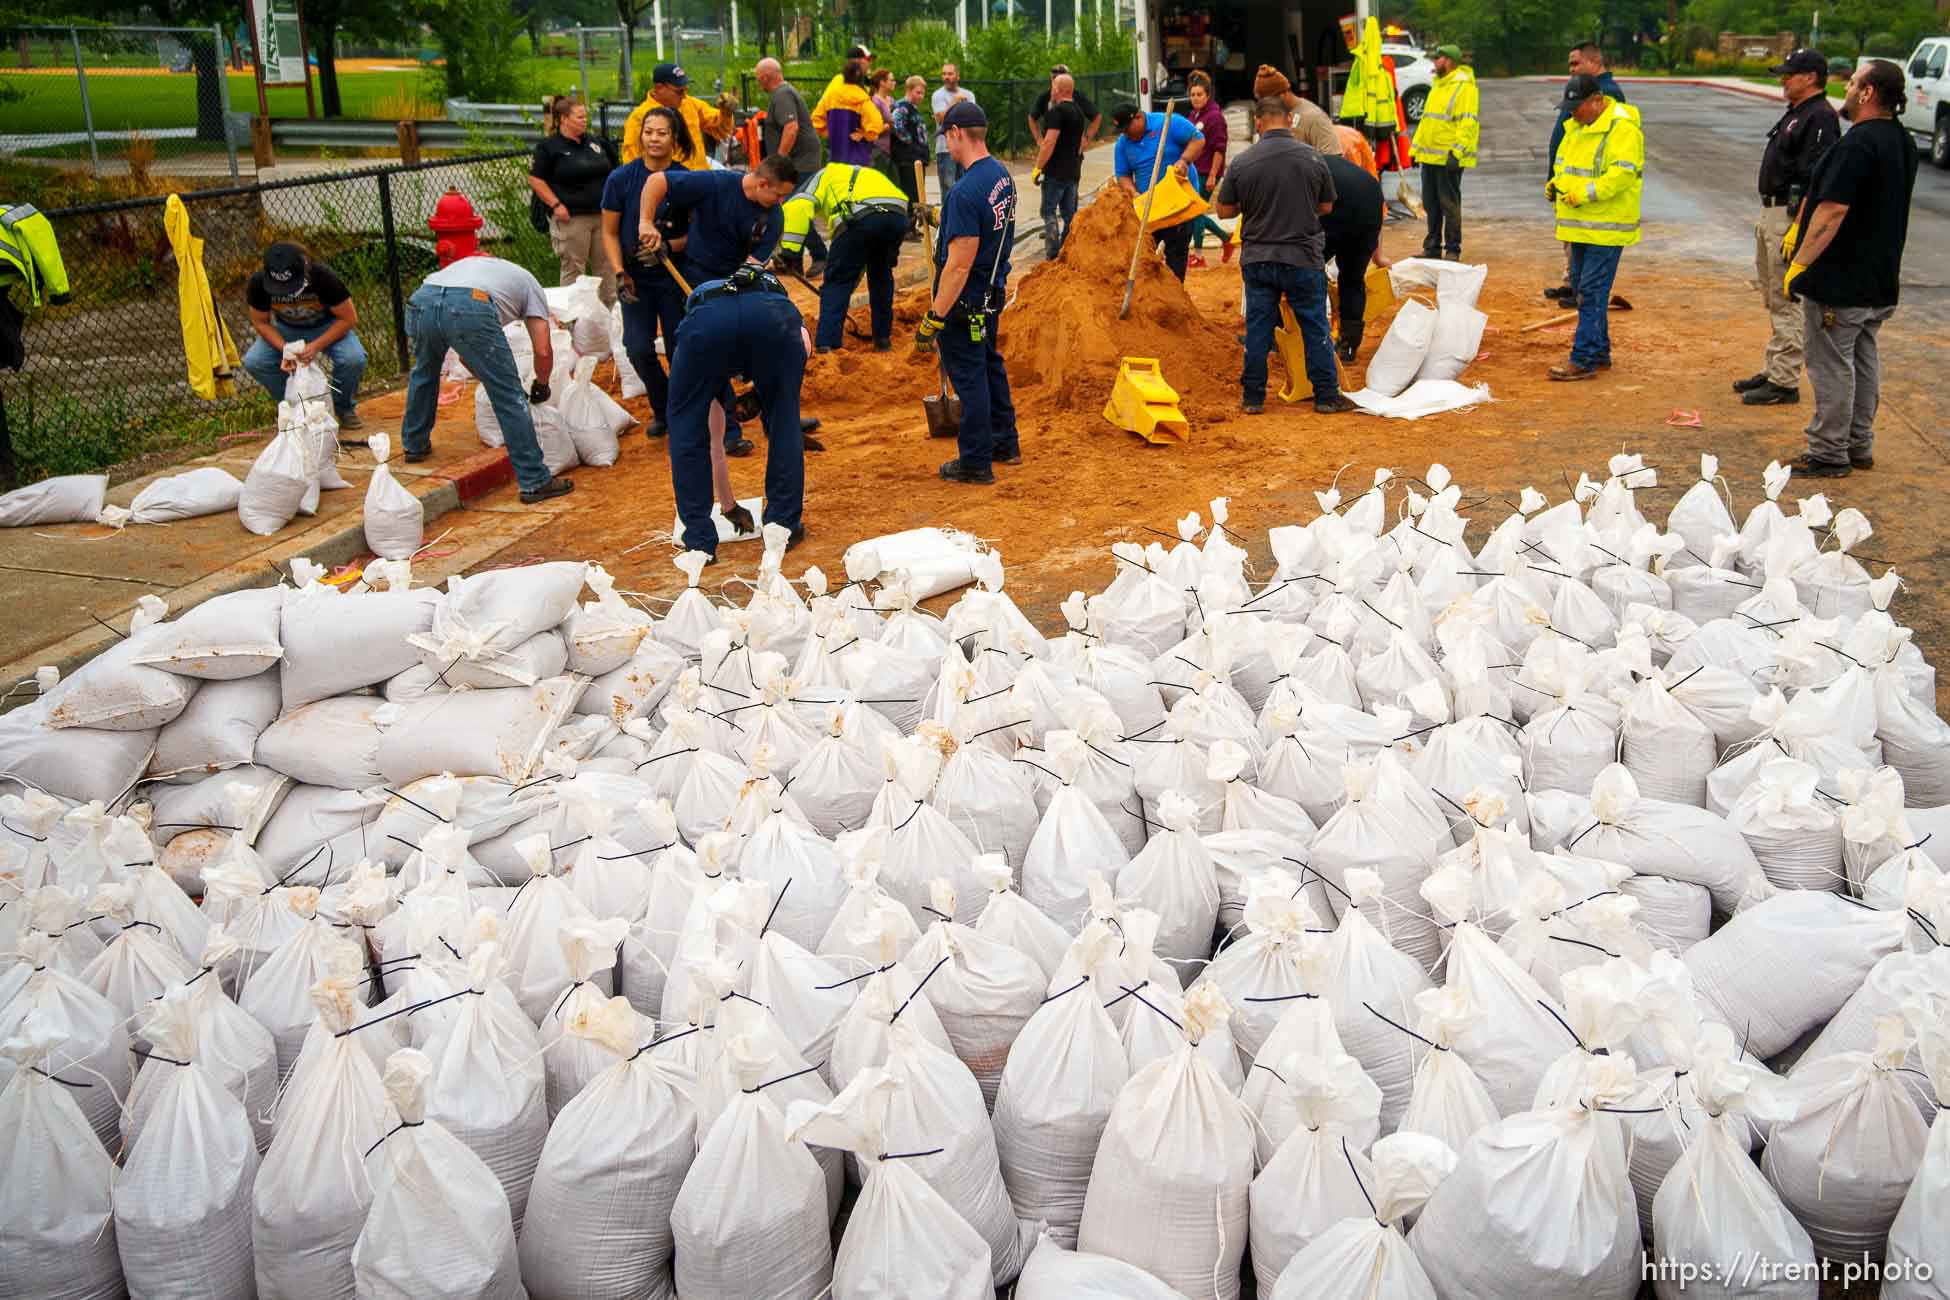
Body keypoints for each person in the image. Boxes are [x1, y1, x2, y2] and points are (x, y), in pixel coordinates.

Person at [1783, 58, 1918, 477]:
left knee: (1830, 365)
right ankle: (1858, 443)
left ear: (1868, 93)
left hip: (1841, 281)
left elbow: (1833, 210)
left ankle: (1828, 452)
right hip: (1877, 279)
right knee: (1861, 359)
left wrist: (1799, 264)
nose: (1846, 88)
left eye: (1854, 83)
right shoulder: (1901, 140)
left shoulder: (1859, 143)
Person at [400, 190, 572, 504]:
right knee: (508, 395)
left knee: (424, 372)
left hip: (423, 297)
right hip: (470, 305)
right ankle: (534, 480)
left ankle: (414, 445)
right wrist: (542, 384)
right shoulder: (529, 284)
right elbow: (544, 350)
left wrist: (487, 373)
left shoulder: (474, 269)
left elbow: (467, 352)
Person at [637, 154, 802, 456]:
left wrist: (736, 289)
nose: (781, 201)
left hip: (740, 283)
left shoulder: (773, 217)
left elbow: (753, 264)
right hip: (697, 281)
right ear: (763, 183)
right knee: (711, 353)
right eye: (778, 194)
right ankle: (729, 430)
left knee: (775, 342)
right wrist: (645, 222)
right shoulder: (715, 184)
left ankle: (778, 418)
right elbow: (656, 181)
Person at [1215, 95, 1351, 416]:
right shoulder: (1314, 159)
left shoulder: (1243, 162)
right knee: (1315, 326)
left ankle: (1253, 397)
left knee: (1259, 328)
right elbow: (1327, 205)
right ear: (1290, 120)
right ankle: (1327, 396)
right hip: (1302, 257)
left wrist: (1252, 204)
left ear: (1257, 123)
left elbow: (1223, 210)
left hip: (1259, 258)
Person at [664, 265, 808, 557]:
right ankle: (783, 528)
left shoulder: (702, 316)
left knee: (685, 429)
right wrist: (765, 395)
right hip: (774, 323)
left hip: (708, 329)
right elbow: (803, 346)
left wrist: (728, 505)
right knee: (785, 422)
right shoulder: (779, 300)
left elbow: (713, 437)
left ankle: (699, 544)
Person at [916, 100, 1020, 485]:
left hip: (965, 301)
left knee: (970, 378)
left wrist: (934, 317)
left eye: (948, 138)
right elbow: (983, 224)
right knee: (989, 365)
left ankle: (976, 461)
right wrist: (941, 218)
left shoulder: (963, 192)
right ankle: (1004, 442)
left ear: (958, 133)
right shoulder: (1000, 177)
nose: (948, 146)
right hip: (990, 294)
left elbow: (958, 265)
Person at [1734, 47, 1841, 407]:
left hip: (1790, 216)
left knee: (1786, 298)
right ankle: (1774, 366)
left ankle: (1784, 380)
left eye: (1789, 74)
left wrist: (1800, 223)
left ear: (1811, 77)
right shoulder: (1799, 113)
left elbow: (1816, 176)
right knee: (1772, 294)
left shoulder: (1821, 117)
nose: (1782, 79)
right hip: (1772, 212)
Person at [600, 105, 695, 439]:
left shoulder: (685, 180)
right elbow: (609, 232)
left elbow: (698, 234)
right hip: (635, 280)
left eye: (662, 132)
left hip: (673, 278)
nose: (654, 139)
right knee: (638, 347)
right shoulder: (621, 179)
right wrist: (618, 272)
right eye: (649, 131)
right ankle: (664, 408)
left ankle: (685, 412)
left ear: (674, 138)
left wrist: (671, 246)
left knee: (679, 347)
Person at [1547, 74, 1644, 381]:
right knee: (1585, 290)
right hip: (1579, 226)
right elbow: (1563, 167)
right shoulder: (1575, 128)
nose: (1572, 112)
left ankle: (1584, 358)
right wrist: (1556, 185)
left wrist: (1585, 193)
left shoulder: (1622, 129)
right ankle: (1599, 351)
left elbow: (1621, 176)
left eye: (1578, 106)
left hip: (1606, 226)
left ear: (1597, 101)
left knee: (1591, 291)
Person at [777, 160, 909, 352]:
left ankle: (827, 344)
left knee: (837, 282)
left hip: (859, 217)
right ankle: (882, 339)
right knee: (881, 275)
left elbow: (797, 208)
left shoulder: (819, 178)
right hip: (897, 216)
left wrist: (789, 252)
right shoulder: (857, 174)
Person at [241, 241, 367, 429]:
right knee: (255, 361)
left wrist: (315, 346)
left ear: (305, 267)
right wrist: (285, 349)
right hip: (287, 329)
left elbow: (349, 319)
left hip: (327, 326)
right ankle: (295, 407)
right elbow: (260, 322)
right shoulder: (258, 283)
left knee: (353, 358)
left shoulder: (323, 277)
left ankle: (343, 407)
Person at [1545, 43, 1625, 303]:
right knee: (1570, 237)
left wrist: (1581, 188)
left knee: (1579, 242)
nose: (1571, 70)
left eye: (1576, 64)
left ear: (1594, 62)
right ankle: (1572, 284)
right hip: (1568, 182)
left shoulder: (1606, 93)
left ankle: (1579, 291)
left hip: (1585, 192)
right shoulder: (1581, 88)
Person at [528, 95, 617, 308]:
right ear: (563, 119)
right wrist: (556, 205)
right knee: (574, 268)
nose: (584, 121)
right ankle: (571, 317)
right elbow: (536, 179)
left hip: (602, 214)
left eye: (586, 117)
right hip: (572, 218)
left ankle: (607, 312)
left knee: (606, 267)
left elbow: (614, 171)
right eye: (579, 117)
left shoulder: (595, 143)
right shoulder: (549, 147)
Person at [1111, 103, 1205, 281]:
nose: (1125, 134)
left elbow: (1198, 139)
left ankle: (1175, 296)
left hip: (1179, 204)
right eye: (1122, 131)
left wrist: (1184, 161)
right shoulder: (1122, 144)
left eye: (1127, 128)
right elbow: (1123, 175)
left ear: (1138, 117)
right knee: (1142, 255)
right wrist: (1134, 193)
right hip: (1150, 208)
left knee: (1176, 255)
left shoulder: (1168, 123)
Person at [753, 56, 828, 268]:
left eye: (759, 78)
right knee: (790, 208)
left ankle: (820, 254)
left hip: (800, 162)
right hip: (799, 160)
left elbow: (791, 127)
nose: (758, 82)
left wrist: (779, 160)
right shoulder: (783, 93)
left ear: (767, 76)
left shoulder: (783, 94)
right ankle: (792, 259)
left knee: (794, 208)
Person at [1411, 44, 1478, 260]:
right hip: (1430, 157)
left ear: (1449, 61)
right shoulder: (1438, 86)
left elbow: (1468, 124)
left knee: (1449, 205)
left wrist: (1456, 153)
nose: (1434, 63)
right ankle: (1431, 248)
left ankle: (1452, 249)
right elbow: (1427, 122)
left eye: (1437, 59)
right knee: (1430, 203)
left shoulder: (1464, 87)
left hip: (1447, 157)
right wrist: (1415, 151)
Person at [1321, 151, 1388, 364]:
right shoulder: (1327, 162)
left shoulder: (1298, 170)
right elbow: (1375, 210)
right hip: (1369, 200)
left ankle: (1300, 338)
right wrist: (1377, 255)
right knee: (1352, 278)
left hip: (1341, 206)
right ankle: (1348, 346)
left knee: (1305, 270)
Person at [622, 63, 733, 166]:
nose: (684, 96)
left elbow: (720, 129)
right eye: (679, 91)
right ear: (659, 88)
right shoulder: (639, 117)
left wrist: (726, 113)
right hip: (669, 184)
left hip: (700, 179)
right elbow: (631, 163)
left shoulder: (690, 103)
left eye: (685, 90)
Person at [1031, 73, 1089, 261]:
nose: (1052, 90)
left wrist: (1038, 167)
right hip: (1073, 171)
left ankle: (1053, 253)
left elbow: (1049, 142)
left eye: (1054, 87)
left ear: (1060, 90)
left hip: (1055, 172)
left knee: (1048, 212)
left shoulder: (1057, 112)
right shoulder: (1078, 112)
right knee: (1069, 214)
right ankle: (1067, 250)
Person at [1184, 71, 1230, 268]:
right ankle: (1225, 239)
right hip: (1194, 170)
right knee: (1196, 212)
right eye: (1193, 94)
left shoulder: (1215, 117)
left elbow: (1220, 148)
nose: (1195, 98)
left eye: (1199, 94)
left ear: (1207, 95)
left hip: (1207, 171)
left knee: (1195, 212)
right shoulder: (1193, 115)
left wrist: (1213, 175)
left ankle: (1199, 255)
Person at [1249, 64, 1342, 154]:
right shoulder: (1271, 116)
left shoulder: (1314, 117)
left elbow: (1333, 158)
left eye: (1269, 102)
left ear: (1282, 95)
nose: (1266, 108)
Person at [813, 61, 885, 167]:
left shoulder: (830, 97)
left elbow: (816, 120)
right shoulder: (863, 100)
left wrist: (832, 132)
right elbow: (877, 124)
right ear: (860, 78)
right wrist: (865, 135)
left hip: (836, 157)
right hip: (858, 158)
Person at [890, 74, 933, 227]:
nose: (921, 96)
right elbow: (896, 124)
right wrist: (910, 142)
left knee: (917, 192)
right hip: (907, 158)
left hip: (917, 157)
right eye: (918, 92)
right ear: (908, 90)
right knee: (910, 192)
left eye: (922, 93)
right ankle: (907, 226)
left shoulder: (913, 109)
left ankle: (913, 225)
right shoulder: (903, 106)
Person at [1028, 63, 1098, 150]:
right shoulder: (1045, 96)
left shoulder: (1077, 96)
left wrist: (1087, 138)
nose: (1055, 81)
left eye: (1059, 78)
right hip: (1050, 147)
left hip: (1072, 149)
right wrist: (1039, 140)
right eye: (1053, 78)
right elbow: (1032, 117)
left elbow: (1096, 116)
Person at [932, 64, 978, 194]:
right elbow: (941, 119)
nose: (946, 77)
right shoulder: (938, 95)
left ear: (958, 76)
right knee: (949, 188)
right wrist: (954, 102)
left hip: (966, 148)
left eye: (950, 74)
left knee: (966, 187)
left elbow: (972, 118)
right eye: (944, 74)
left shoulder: (969, 95)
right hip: (946, 149)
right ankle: (949, 214)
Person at [869, 69, 898, 179]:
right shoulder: (875, 102)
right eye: (891, 80)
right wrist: (890, 124)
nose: (894, 82)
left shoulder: (891, 100)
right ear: (882, 82)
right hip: (878, 150)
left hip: (893, 150)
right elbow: (873, 128)